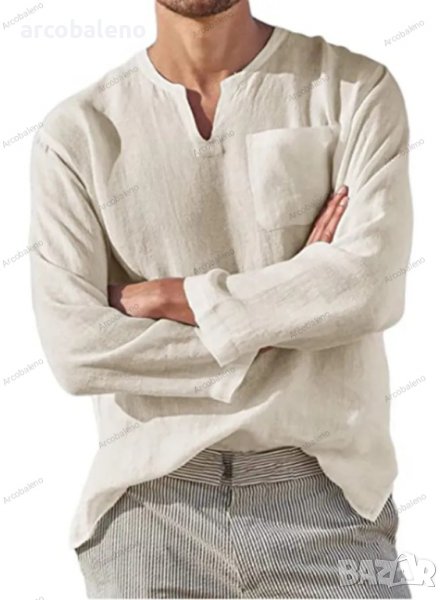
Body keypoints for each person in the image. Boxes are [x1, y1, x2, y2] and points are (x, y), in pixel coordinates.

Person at [29, 0, 413, 597]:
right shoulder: (76, 134)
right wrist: (289, 305)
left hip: (330, 498)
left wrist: (173, 297)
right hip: (148, 510)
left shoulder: (353, 91)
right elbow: (76, 350)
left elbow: (369, 288)